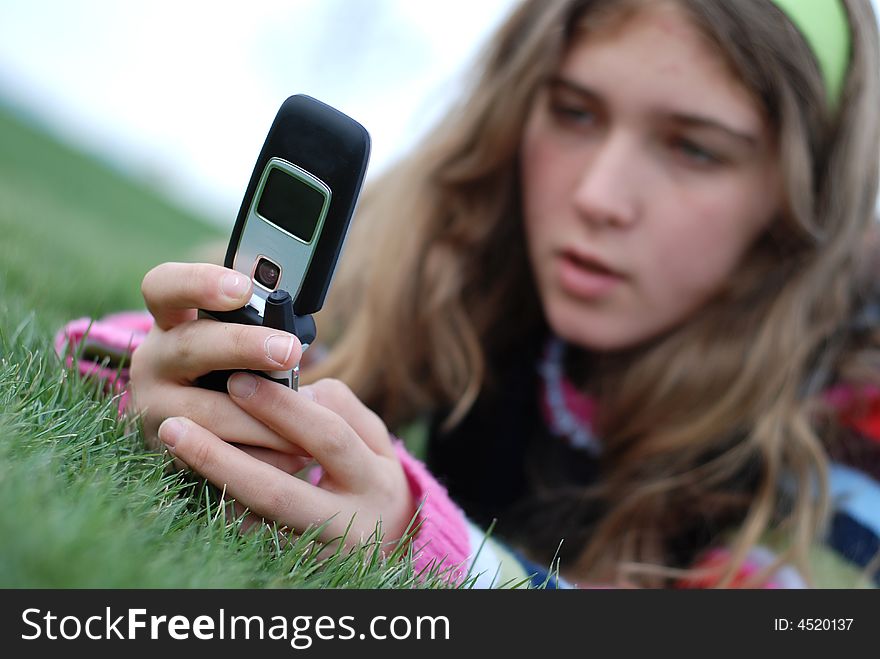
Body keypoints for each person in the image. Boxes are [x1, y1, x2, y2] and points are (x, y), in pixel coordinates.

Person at [58, 0, 880, 588]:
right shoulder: (472, 244)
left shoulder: (852, 429)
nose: (598, 193)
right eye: (573, 111)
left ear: (798, 201)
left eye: (695, 149)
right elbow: (103, 353)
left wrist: (431, 547)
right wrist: (183, 373)